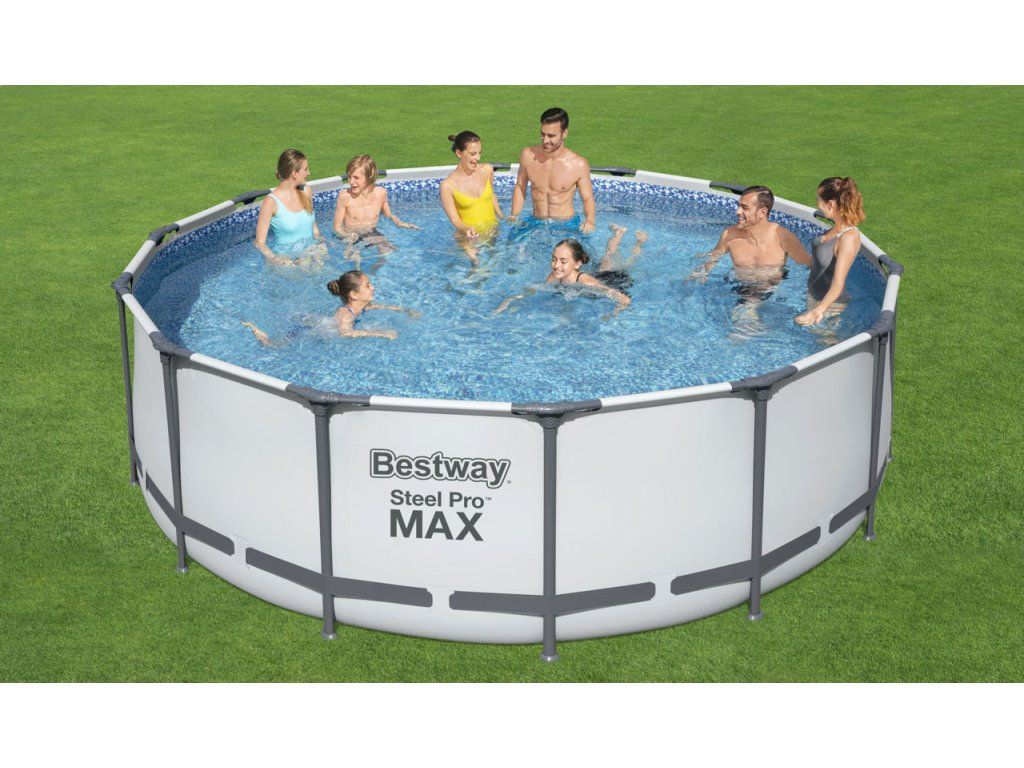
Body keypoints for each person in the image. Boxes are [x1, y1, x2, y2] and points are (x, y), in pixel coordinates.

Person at [243, 270, 420, 344]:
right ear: (354, 295)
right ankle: (259, 333)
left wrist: (405, 310)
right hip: (310, 330)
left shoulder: (362, 307)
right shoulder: (346, 315)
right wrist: (380, 333)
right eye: (368, 285)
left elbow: (380, 307)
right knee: (275, 345)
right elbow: (345, 333)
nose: (372, 288)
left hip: (320, 324)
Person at [493, 228, 640, 317]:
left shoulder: (586, 282)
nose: (556, 265)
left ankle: (634, 241)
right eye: (554, 259)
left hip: (612, 279)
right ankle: (618, 233)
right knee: (604, 263)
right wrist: (510, 300)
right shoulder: (555, 276)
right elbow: (537, 288)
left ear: (577, 264)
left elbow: (623, 298)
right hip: (590, 277)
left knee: (612, 261)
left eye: (563, 261)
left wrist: (614, 313)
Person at [509, 107, 596, 234]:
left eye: (551, 136)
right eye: (542, 134)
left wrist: (590, 221)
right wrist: (514, 215)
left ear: (564, 133)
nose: (545, 140)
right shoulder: (528, 156)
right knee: (510, 242)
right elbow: (520, 186)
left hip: (566, 224)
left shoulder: (578, 164)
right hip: (536, 221)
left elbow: (587, 198)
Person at [795, 177, 865, 327]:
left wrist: (819, 310)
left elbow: (838, 282)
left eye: (818, 199)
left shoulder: (849, 237)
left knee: (824, 337)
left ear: (830, 204)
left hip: (831, 303)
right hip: (814, 296)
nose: (817, 204)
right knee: (812, 333)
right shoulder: (834, 229)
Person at [333, 155, 418, 265]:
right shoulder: (345, 196)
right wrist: (346, 235)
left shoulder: (381, 193)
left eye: (356, 178)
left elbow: (388, 215)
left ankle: (376, 273)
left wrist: (400, 223)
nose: (351, 182)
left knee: (389, 253)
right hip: (351, 236)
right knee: (355, 260)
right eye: (349, 177)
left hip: (372, 233)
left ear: (369, 176)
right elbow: (337, 227)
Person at [439, 131, 504, 266]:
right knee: (476, 268)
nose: (478, 158)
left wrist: (502, 217)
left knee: (494, 265)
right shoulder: (448, 186)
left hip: (492, 231)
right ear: (459, 153)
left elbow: (491, 195)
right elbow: (454, 219)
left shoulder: (487, 170)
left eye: (480, 153)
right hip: (469, 238)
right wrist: (466, 229)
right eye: (473, 154)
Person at [254, 149, 325, 268]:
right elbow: (259, 243)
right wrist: (278, 260)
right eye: (305, 169)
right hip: (286, 263)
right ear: (294, 173)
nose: (309, 173)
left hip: (311, 255)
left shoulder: (306, 192)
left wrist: (321, 244)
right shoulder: (271, 202)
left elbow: (314, 228)